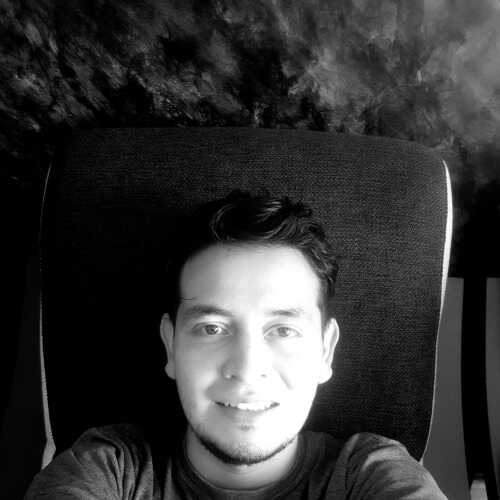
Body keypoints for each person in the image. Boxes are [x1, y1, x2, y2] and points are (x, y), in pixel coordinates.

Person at [25, 191, 447, 499]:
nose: (246, 368)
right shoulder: (110, 469)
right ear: (170, 347)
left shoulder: (370, 473)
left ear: (325, 352)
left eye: (283, 330)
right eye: (212, 328)